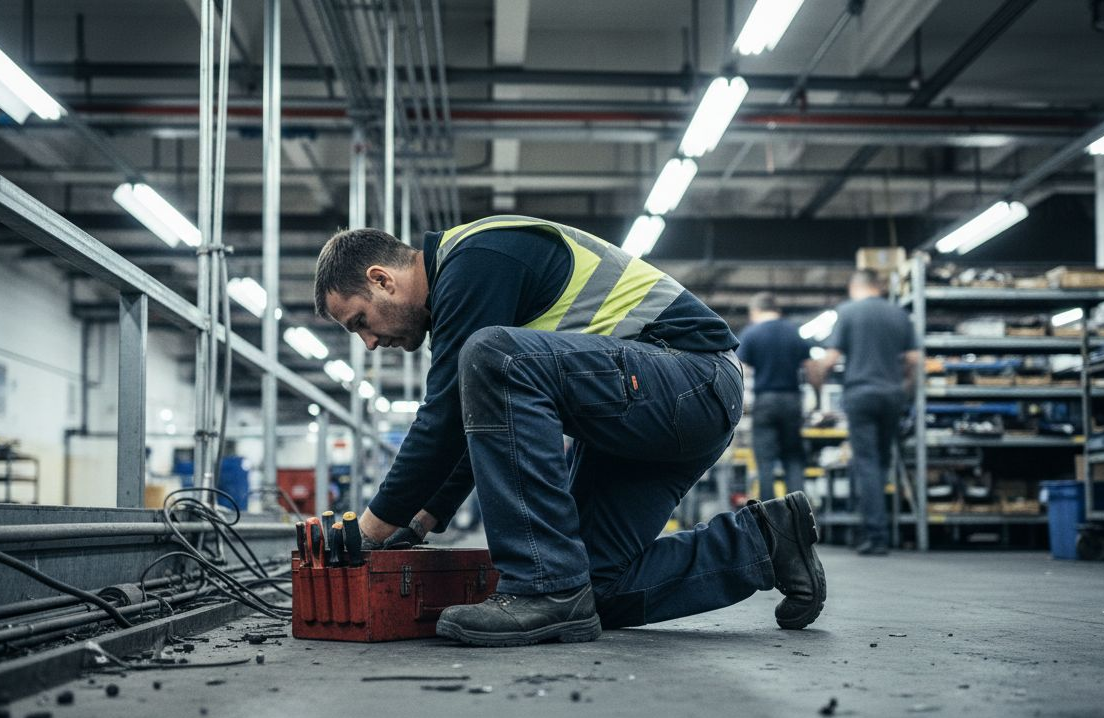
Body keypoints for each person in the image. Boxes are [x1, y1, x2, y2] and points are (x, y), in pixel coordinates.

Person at [313, 216, 826, 647]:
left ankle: (541, 586)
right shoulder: (463, 291)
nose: (369, 343)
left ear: (382, 279)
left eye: (360, 321)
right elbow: (484, 425)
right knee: (596, 585)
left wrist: (372, 530)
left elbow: (447, 412)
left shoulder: (476, 259)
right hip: (648, 411)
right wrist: (421, 520)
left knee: (491, 356)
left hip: (693, 381)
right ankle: (765, 541)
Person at [819, 269, 919, 556]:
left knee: (866, 464)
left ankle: (876, 536)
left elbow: (830, 359)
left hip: (861, 394)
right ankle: (885, 530)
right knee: (883, 460)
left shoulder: (848, 311)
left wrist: (818, 390)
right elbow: (913, 359)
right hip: (892, 396)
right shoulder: (899, 314)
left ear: (855, 287)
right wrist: (903, 388)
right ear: (880, 286)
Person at [737, 291, 820, 501]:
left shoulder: (751, 333)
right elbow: (812, 368)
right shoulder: (794, 331)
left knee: (765, 461)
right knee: (793, 457)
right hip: (792, 400)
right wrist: (817, 398)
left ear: (755, 311)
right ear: (777, 309)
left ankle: (769, 520)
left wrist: (739, 403)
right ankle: (798, 517)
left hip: (765, 400)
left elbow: (740, 371)